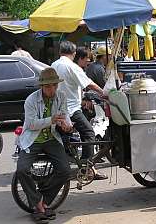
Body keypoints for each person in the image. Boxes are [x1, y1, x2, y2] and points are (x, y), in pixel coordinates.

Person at [16, 67, 72, 223]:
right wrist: (52, 120)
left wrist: (66, 125)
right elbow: (32, 124)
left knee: (65, 170)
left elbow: (64, 114)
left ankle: (44, 201)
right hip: (32, 140)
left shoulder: (61, 96)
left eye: (54, 85)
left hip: (51, 139)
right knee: (22, 169)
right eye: (48, 86)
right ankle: (38, 204)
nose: (52, 89)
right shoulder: (31, 100)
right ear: (41, 86)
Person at [51, 41, 108, 180]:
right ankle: (87, 168)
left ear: (60, 52)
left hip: (57, 108)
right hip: (70, 109)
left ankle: (85, 166)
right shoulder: (72, 66)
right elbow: (89, 83)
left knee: (76, 135)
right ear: (74, 54)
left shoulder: (54, 65)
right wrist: (104, 93)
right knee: (89, 133)